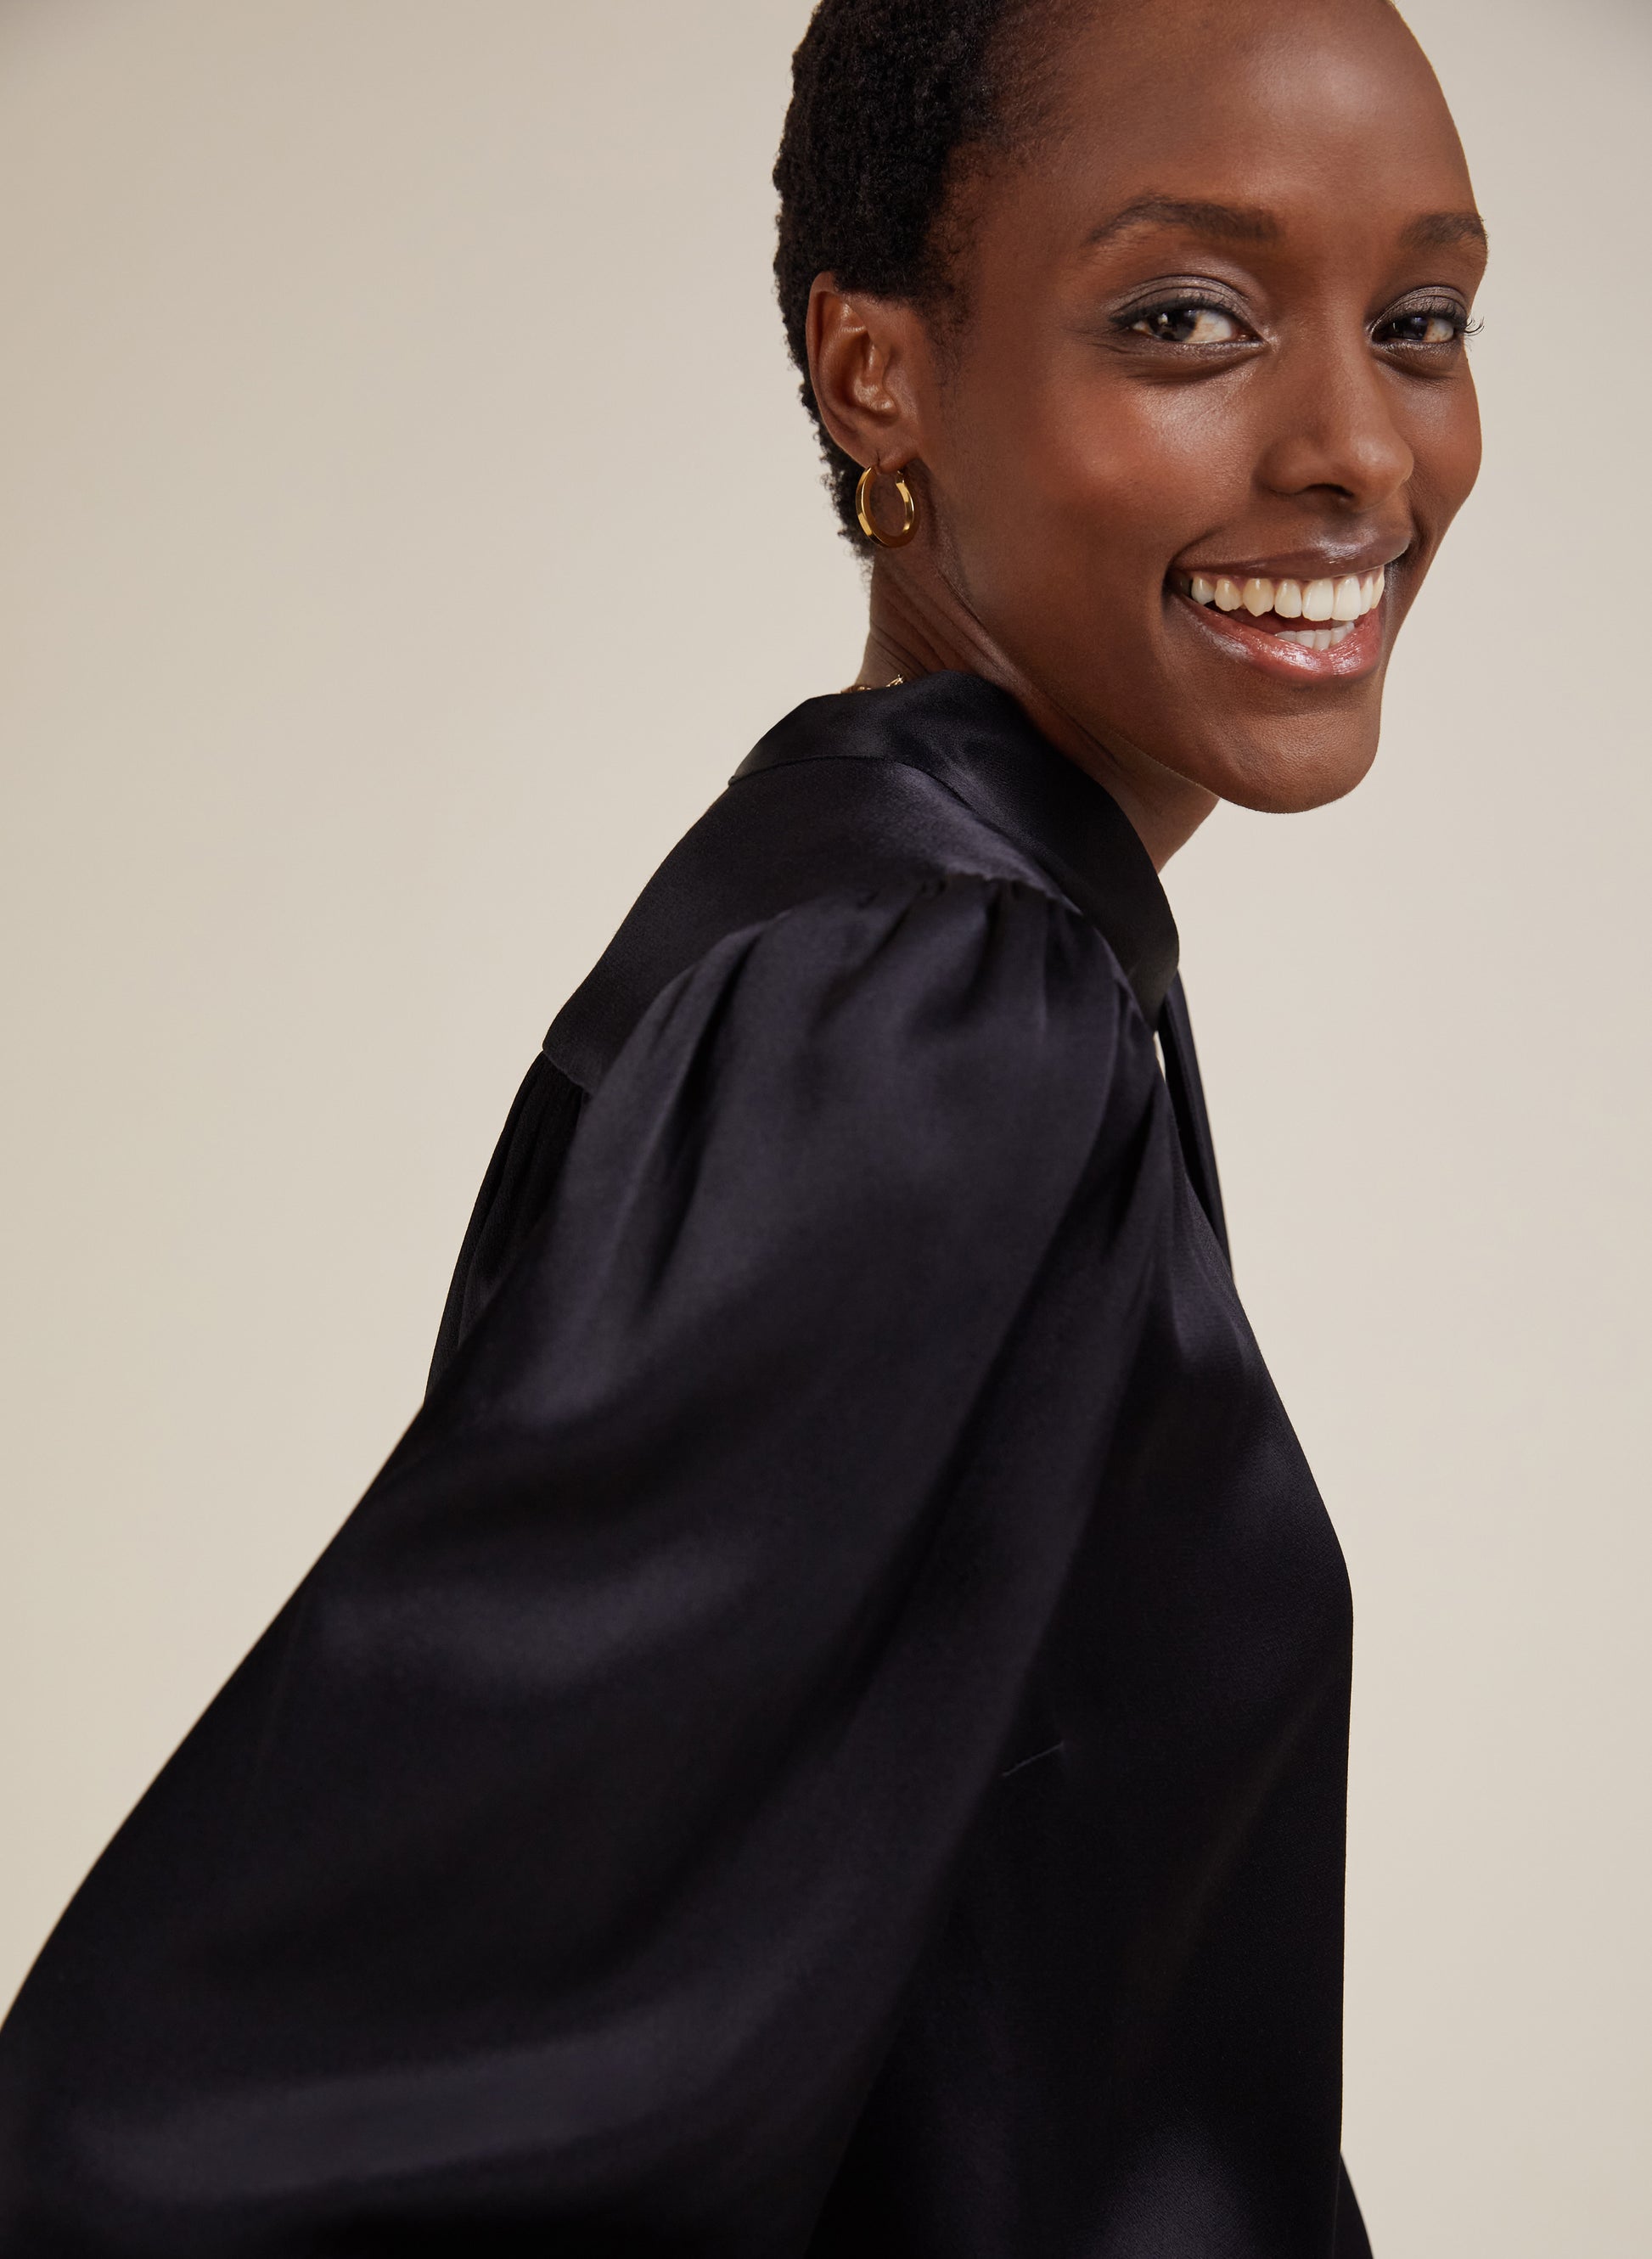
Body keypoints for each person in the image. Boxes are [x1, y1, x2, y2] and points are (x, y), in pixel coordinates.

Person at [0, 0, 1485, 2251]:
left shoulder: (934, 927)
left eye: (1419, 323)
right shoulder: (934, 1008)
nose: (1360, 449)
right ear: (878, 372)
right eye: (1186, 316)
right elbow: (276, 2098)